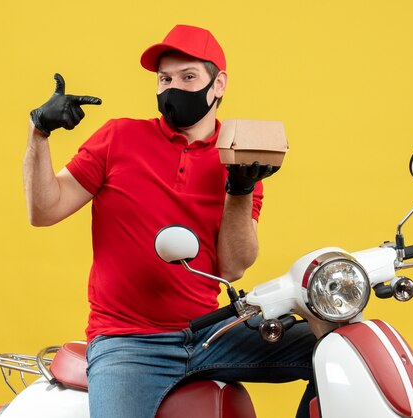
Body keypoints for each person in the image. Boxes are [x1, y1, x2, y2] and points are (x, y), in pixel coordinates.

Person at [24, 24, 316, 418]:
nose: (172, 88)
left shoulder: (239, 155)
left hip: (212, 332)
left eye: (188, 77)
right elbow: (44, 211)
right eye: (165, 79)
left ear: (219, 84)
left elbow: (232, 267)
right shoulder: (118, 138)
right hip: (128, 341)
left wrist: (240, 189)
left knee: (337, 348)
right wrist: (39, 133)